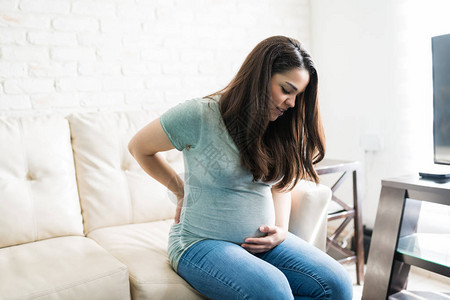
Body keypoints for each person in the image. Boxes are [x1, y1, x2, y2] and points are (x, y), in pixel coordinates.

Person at [128, 36, 353, 300]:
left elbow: (280, 184)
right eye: (286, 89)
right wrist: (180, 191)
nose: (291, 103)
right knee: (273, 290)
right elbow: (139, 147)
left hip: (262, 245)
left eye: (297, 95)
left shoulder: (278, 126)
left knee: (337, 283)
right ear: (260, 77)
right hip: (200, 243)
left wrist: (280, 230)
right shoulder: (200, 115)